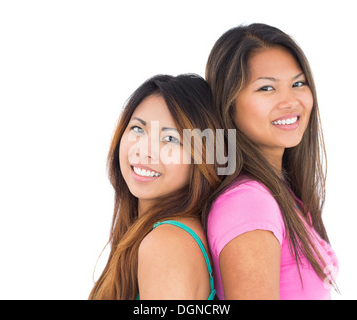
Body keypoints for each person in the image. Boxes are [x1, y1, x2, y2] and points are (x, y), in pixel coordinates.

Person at [204, 23, 339, 299]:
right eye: (267, 88)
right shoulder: (247, 203)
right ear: (229, 105)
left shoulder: (279, 190)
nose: (290, 101)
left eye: (298, 84)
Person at [89, 74, 221, 300]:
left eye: (170, 139)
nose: (144, 150)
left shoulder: (167, 244)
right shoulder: (163, 235)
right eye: (138, 129)